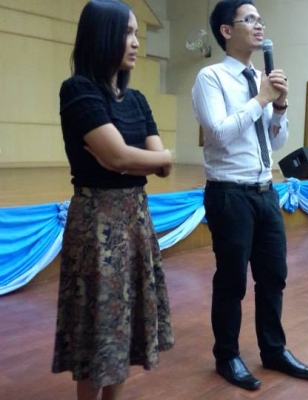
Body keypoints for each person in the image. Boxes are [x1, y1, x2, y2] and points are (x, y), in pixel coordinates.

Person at [191, 0, 308, 391]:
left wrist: (278, 106)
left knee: (274, 277)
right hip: (229, 193)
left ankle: (274, 350)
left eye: (260, 20)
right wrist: (262, 99)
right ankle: (227, 355)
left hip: (266, 192)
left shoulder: (260, 79)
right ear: (226, 31)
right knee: (232, 281)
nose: (259, 26)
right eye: (249, 20)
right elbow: (218, 133)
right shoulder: (210, 77)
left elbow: (275, 142)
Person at [51, 1, 174, 399]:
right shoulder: (78, 90)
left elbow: (158, 163)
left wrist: (152, 158)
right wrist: (136, 159)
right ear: (101, 35)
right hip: (97, 223)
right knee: (97, 323)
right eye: (127, 32)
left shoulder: (136, 100)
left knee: (125, 323)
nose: (136, 42)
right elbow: (120, 156)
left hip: (135, 219)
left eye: (136, 33)